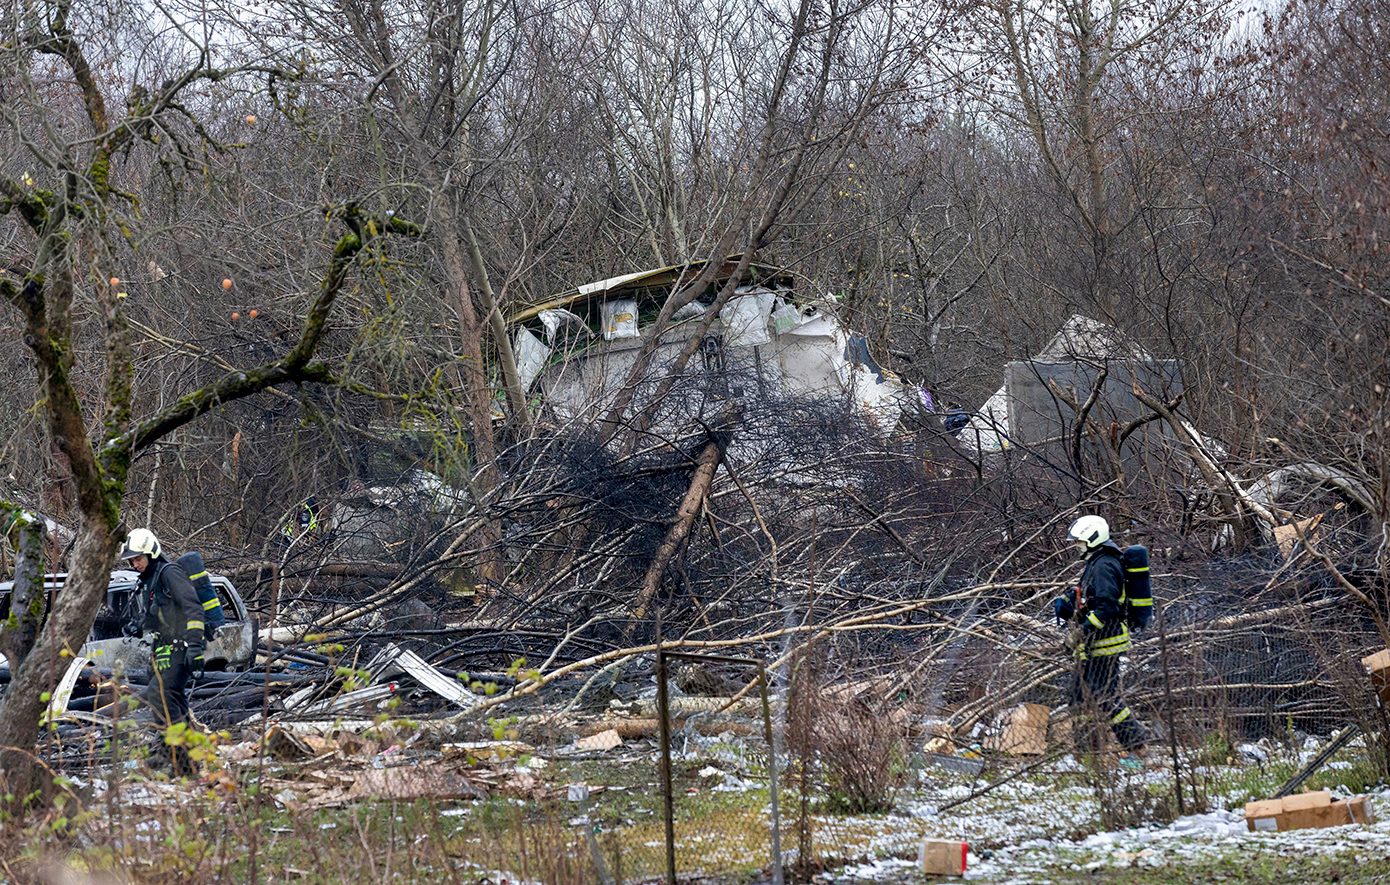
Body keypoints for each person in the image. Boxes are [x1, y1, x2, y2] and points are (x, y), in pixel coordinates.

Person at [1054, 515, 1149, 766]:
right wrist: (1070, 602)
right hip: (1095, 643)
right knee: (1077, 695)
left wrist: (1081, 631)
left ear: (1092, 539)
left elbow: (1106, 606)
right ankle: (1087, 752)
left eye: (1079, 541)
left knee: (1104, 696)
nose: (1076, 546)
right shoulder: (1096, 562)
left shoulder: (1104, 565)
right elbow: (1093, 599)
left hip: (1105, 643)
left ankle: (1136, 746)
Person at [119, 529, 206, 739]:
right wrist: (139, 624)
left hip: (182, 647)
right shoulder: (152, 580)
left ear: (151, 553)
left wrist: (195, 646)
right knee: (172, 696)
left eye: (138, 559)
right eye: (132, 561)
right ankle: (189, 749)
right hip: (166, 648)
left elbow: (193, 608)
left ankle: (175, 750)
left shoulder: (169, 573)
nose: (135, 565)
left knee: (160, 695)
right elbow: (161, 615)